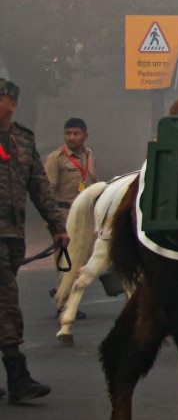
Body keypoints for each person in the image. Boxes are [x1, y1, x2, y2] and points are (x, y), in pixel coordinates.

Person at [0, 78, 69, 403]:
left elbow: (39, 186)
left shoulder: (22, 142)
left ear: (12, 103)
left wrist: (57, 225)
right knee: (6, 302)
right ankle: (18, 377)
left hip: (12, 237)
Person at [45, 117, 99, 312]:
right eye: (68, 133)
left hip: (87, 215)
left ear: (86, 136)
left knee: (88, 256)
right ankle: (65, 302)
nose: (71, 137)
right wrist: (52, 220)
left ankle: (62, 289)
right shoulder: (56, 158)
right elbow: (47, 190)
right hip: (64, 214)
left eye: (76, 134)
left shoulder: (90, 157)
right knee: (65, 259)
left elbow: (93, 185)